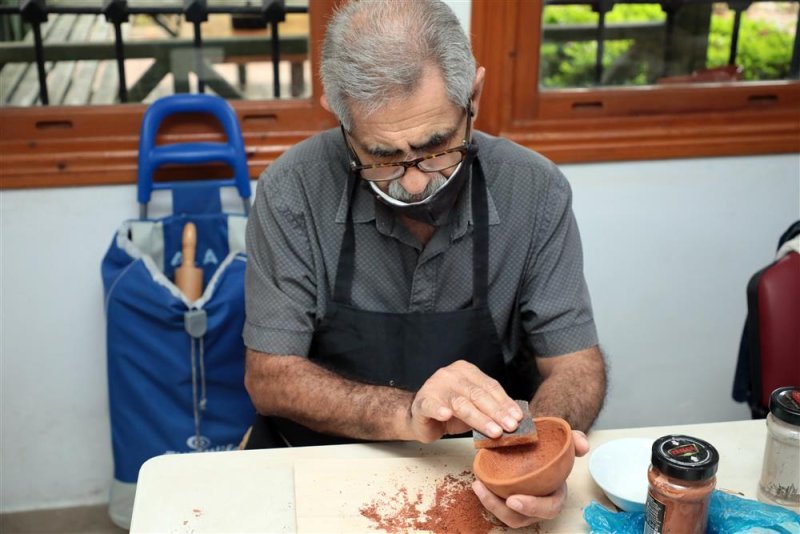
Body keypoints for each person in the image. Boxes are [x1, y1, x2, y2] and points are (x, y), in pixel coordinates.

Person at [242, 0, 606, 527]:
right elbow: (270, 376)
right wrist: (408, 413)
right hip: (316, 463)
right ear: (338, 113)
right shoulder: (292, 191)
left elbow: (577, 364)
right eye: (381, 157)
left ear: (473, 96)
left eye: (436, 147)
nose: (413, 183)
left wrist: (537, 455)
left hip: (475, 471)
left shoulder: (535, 190)